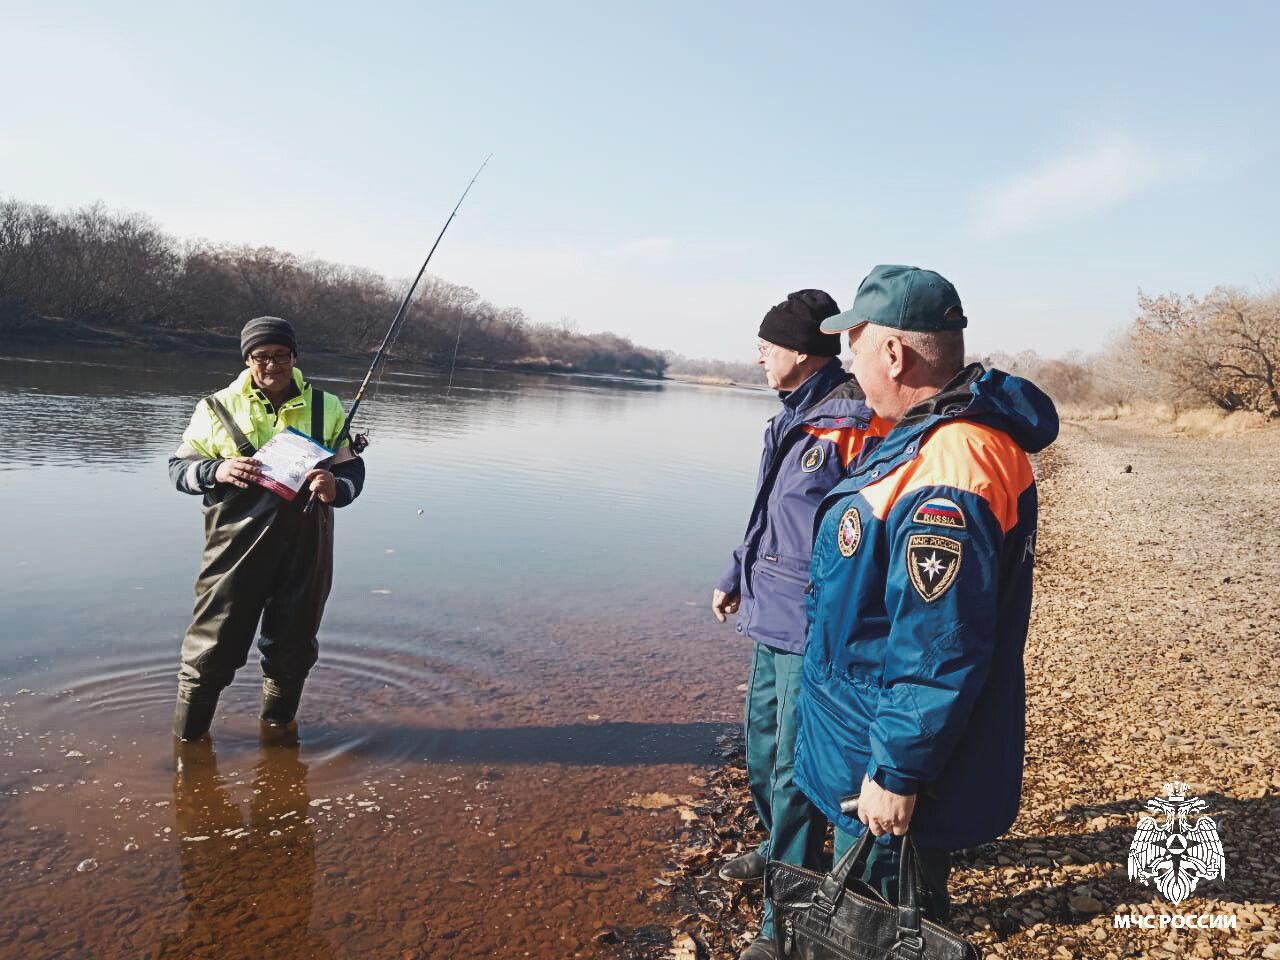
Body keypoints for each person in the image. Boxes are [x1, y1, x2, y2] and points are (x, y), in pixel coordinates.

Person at [792, 265, 1058, 926]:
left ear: (893, 352)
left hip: (877, 761)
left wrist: (896, 772)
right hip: (868, 737)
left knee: (873, 925)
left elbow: (940, 641)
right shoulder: (932, 438)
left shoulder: (950, 467)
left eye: (853, 344)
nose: (849, 363)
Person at [712, 290, 889, 960]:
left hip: (811, 629)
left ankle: (779, 923)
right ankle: (781, 848)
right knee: (761, 756)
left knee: (790, 768)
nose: (757, 356)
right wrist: (736, 575)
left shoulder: (851, 423)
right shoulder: (791, 417)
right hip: (769, 615)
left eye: (766, 346)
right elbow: (772, 519)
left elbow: (862, 540)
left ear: (800, 351)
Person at [167, 316, 366, 740]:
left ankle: (276, 739)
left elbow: (351, 468)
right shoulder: (215, 407)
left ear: (294, 357)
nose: (271, 365)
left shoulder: (326, 406)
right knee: (211, 648)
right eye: (261, 357)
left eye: (280, 355)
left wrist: (337, 487)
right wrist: (217, 470)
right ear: (247, 359)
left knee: (293, 649)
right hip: (233, 547)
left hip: (306, 548)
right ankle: (187, 747)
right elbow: (178, 470)